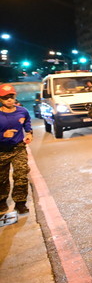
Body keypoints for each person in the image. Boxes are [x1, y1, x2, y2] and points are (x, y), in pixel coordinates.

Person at [0, 84, 33, 214]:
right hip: (2, 150)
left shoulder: (22, 111)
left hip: (18, 148)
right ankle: (2, 201)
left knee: (21, 175)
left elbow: (27, 122)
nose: (9, 99)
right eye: (5, 97)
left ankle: (20, 203)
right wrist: (3, 135)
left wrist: (29, 133)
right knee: (1, 178)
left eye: (11, 96)